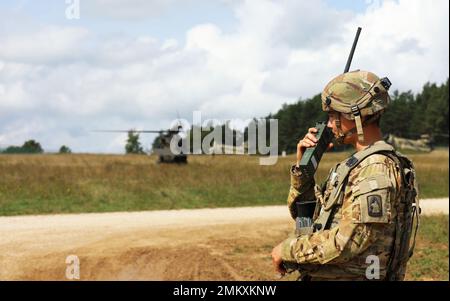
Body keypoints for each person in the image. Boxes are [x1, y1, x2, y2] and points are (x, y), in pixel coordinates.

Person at [271, 70, 420, 281]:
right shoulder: (358, 164)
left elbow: (350, 240)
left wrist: (288, 249)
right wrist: (303, 171)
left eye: (334, 115)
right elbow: (307, 220)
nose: (330, 124)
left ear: (355, 116)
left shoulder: (375, 169)